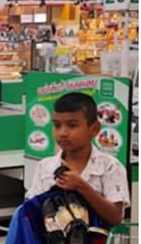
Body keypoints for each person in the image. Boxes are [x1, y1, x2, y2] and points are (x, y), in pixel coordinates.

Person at [26, 93, 129, 225]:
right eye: (57, 125)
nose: (62, 133)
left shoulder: (110, 167)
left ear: (94, 129)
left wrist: (82, 187)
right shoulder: (45, 167)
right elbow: (30, 213)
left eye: (72, 125)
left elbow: (115, 217)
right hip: (53, 243)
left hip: (98, 243)